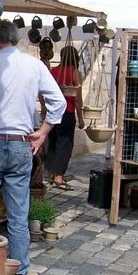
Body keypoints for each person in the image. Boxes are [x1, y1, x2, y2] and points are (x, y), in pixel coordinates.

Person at [0, 19, 66, 275]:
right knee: (18, 216)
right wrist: (43, 132)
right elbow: (59, 102)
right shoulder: (34, 65)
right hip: (22, 144)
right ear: (14, 39)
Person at [45, 46, 85, 190]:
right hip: (67, 112)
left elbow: (42, 92)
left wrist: (44, 109)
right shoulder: (75, 73)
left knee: (53, 143)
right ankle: (58, 177)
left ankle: (51, 172)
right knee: (65, 144)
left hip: (52, 112)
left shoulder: (53, 71)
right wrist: (80, 118)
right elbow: (78, 99)